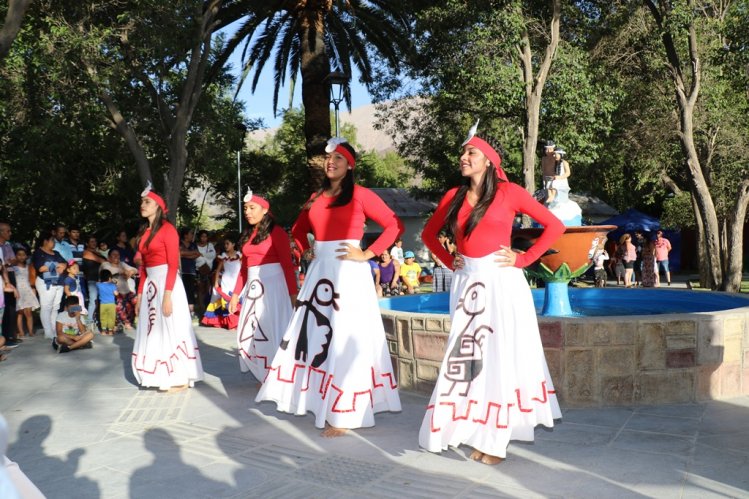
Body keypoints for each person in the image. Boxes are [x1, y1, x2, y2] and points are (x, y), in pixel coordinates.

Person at [418, 121, 565, 465]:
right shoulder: (453, 196)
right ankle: (471, 427)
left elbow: (555, 225)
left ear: (488, 160)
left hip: (502, 282)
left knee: (500, 356)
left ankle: (495, 439)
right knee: (467, 358)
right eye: (463, 152)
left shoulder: (509, 192)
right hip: (466, 283)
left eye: (471, 152)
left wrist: (525, 258)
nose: (463, 157)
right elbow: (428, 234)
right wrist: (449, 259)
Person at [256, 137, 403, 437]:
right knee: (315, 337)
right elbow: (298, 229)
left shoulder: (361, 195)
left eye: (338, 157)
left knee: (344, 338)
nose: (330, 162)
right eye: (327, 158)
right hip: (319, 272)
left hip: (348, 273)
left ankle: (344, 411)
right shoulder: (315, 197)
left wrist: (366, 253)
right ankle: (318, 400)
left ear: (350, 165)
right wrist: (306, 249)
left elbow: (394, 225)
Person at [132, 183, 203, 392]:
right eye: (142, 202)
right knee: (153, 330)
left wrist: (167, 296)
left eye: (147, 202)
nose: (142, 205)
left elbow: (173, 264)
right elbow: (144, 267)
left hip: (167, 283)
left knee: (172, 328)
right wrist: (139, 294)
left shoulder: (168, 229)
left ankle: (180, 376)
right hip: (151, 285)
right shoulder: (145, 233)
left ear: (158, 206)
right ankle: (159, 373)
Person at [229, 188, 296, 380]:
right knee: (249, 331)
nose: (247, 212)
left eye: (252, 207)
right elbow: (244, 269)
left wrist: (293, 296)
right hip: (252, 289)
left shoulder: (278, 233)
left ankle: (274, 375)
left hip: (273, 289)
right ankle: (263, 372)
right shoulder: (248, 234)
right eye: (245, 208)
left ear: (265, 209)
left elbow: (287, 266)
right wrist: (235, 295)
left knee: (271, 329)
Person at [202, 235, 243, 329]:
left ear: (233, 244)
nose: (225, 245)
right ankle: (224, 322)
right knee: (224, 301)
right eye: (225, 244)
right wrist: (216, 282)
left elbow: (243, 269)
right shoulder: (223, 256)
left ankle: (235, 323)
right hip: (226, 281)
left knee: (235, 300)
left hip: (236, 281)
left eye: (227, 243)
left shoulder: (239, 255)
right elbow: (218, 270)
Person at [32, 233, 67, 339]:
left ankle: (54, 330)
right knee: (46, 307)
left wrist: (55, 265)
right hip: (46, 283)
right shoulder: (38, 252)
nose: (54, 243)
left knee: (55, 307)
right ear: (45, 241)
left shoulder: (56, 253)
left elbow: (65, 263)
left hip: (59, 282)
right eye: (52, 240)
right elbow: (41, 268)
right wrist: (57, 265)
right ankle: (48, 332)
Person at [100, 249, 137, 330]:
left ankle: (130, 321)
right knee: (119, 306)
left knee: (136, 301)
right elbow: (107, 274)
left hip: (126, 291)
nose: (117, 256)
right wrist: (121, 272)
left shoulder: (122, 264)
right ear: (109, 257)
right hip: (113, 292)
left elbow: (135, 270)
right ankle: (122, 323)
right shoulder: (105, 265)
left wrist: (130, 272)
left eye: (118, 255)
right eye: (114, 254)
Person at [12, 248, 39, 337]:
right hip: (19, 292)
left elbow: (31, 279)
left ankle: (30, 331)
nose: (21, 257)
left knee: (28, 312)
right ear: (16, 256)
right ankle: (21, 331)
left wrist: (33, 289)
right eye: (19, 254)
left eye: (23, 254)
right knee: (19, 312)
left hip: (27, 291)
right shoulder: (13, 268)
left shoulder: (29, 267)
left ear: (26, 256)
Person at [0, 223, 19, 346]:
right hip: (2, 277)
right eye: (8, 231)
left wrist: (7, 282)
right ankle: (4, 338)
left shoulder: (7, 245)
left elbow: (13, 261)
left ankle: (9, 336)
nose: (10, 233)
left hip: (8, 275)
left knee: (11, 306)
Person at [82, 235, 107, 320]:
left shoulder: (98, 253)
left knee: (101, 300)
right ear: (87, 243)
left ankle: (99, 319)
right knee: (93, 300)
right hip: (92, 280)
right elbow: (103, 261)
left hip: (101, 279)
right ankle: (89, 320)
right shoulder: (86, 252)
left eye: (95, 241)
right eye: (92, 241)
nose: (94, 243)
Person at [179, 228, 200, 318]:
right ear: (185, 235)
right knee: (181, 290)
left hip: (191, 271)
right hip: (181, 271)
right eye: (191, 233)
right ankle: (181, 310)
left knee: (190, 291)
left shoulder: (193, 244)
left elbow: (197, 254)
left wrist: (185, 254)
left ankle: (191, 310)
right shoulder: (179, 243)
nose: (192, 235)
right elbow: (179, 253)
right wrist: (191, 254)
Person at [195, 229, 216, 315]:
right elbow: (195, 257)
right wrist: (204, 259)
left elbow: (212, 255)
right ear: (199, 237)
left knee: (207, 289)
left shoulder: (210, 245)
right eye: (202, 236)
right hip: (198, 271)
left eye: (205, 237)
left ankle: (207, 307)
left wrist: (201, 256)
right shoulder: (195, 245)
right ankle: (201, 307)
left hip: (208, 270)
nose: (204, 238)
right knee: (199, 289)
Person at [96, 269, 118, 335]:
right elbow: (116, 294)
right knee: (111, 317)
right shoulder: (112, 285)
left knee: (103, 317)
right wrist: (115, 285)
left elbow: (97, 283)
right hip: (111, 304)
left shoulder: (99, 285)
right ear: (109, 278)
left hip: (103, 304)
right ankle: (110, 331)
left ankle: (103, 331)